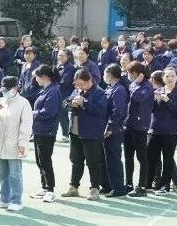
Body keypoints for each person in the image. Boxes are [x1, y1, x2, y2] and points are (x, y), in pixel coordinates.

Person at [0, 76, 34, 211]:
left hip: (15, 143)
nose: (5, 93)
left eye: (7, 90)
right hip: (0, 143)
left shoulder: (23, 103)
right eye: (3, 90)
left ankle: (16, 200)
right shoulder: (1, 101)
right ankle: (4, 199)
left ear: (15, 88)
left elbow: (26, 125)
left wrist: (22, 143)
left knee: (15, 174)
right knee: (3, 174)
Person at [63, 69, 110, 200]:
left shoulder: (99, 92)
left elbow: (101, 111)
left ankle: (95, 189)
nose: (79, 87)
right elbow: (65, 103)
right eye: (77, 84)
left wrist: (84, 103)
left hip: (91, 133)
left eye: (81, 84)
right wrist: (71, 104)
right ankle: (73, 187)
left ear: (89, 80)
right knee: (76, 160)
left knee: (93, 162)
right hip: (75, 131)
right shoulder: (77, 90)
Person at [149, 69, 177, 193]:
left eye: (172, 76)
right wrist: (154, 100)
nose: (169, 78)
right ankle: (148, 183)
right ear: (163, 78)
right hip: (156, 130)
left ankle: (165, 186)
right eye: (167, 76)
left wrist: (168, 101)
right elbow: (151, 110)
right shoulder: (158, 91)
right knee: (151, 157)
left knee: (168, 159)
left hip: (171, 132)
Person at [30, 65, 63, 202]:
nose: (35, 79)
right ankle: (44, 187)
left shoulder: (53, 91)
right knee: (40, 160)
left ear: (44, 77)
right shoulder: (45, 90)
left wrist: (33, 113)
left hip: (47, 131)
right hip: (39, 130)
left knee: (45, 160)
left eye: (37, 77)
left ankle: (50, 190)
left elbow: (49, 112)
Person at [123, 62, 155, 196]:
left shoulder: (147, 86)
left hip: (140, 126)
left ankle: (142, 186)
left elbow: (138, 97)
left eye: (130, 72)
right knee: (128, 156)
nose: (129, 75)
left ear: (137, 73)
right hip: (128, 124)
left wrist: (136, 83)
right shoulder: (133, 84)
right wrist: (134, 84)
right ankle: (128, 183)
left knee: (142, 157)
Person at [102, 64, 131, 197]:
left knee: (114, 159)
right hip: (109, 128)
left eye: (105, 73)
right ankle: (110, 185)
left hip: (114, 130)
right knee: (109, 158)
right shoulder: (111, 88)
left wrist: (110, 127)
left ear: (110, 74)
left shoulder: (119, 90)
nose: (103, 76)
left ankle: (118, 188)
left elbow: (118, 111)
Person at [55, 49, 77, 142]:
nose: (60, 57)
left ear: (68, 57)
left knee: (62, 114)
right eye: (59, 55)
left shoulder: (70, 68)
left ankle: (66, 135)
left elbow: (65, 82)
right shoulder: (58, 66)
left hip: (65, 94)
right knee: (59, 114)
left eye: (63, 55)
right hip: (58, 93)